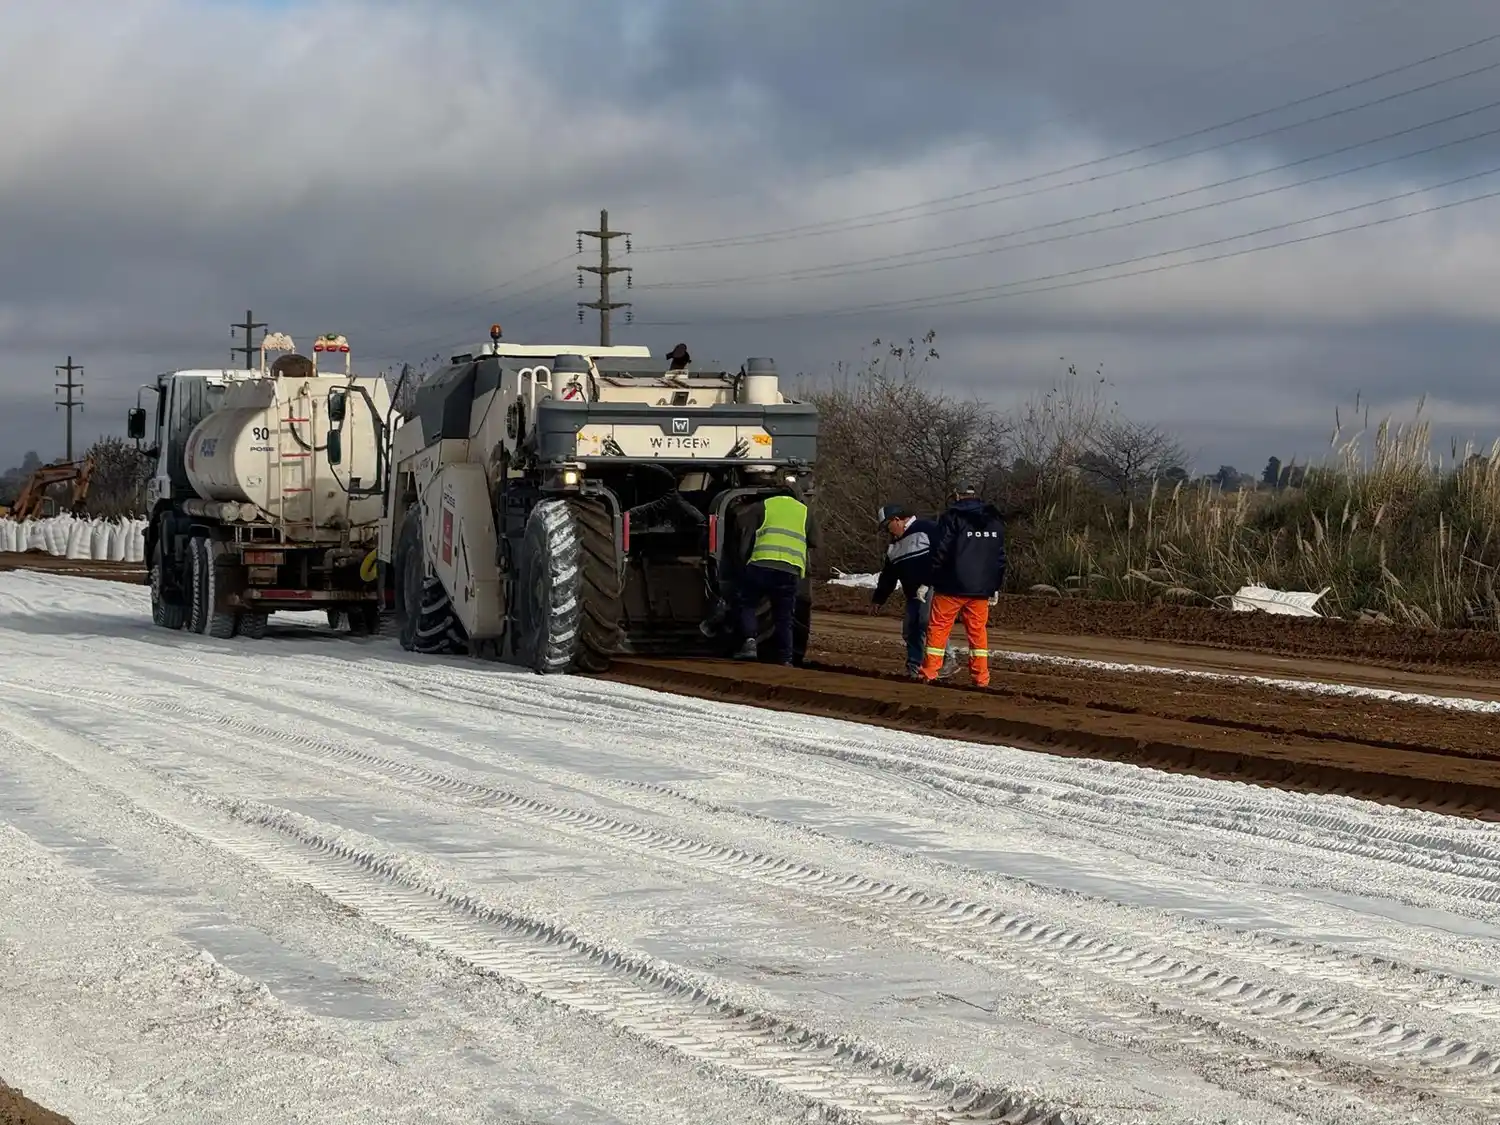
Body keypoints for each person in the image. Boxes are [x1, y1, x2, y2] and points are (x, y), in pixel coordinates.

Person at [919, 481, 1006, 687]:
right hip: (981, 588)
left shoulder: (952, 517)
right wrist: (994, 585)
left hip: (951, 586)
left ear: (957, 495)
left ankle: (930, 672)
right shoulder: (993, 520)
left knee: (939, 629)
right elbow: (999, 556)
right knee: (977, 632)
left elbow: (940, 551)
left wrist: (927, 580)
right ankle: (981, 678)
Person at [729, 483, 816, 664]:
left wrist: (742, 559)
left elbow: (742, 526)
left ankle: (750, 644)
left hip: (761, 565)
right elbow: (815, 541)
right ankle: (786, 659)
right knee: (784, 617)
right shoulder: (804, 510)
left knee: (748, 603)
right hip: (789, 569)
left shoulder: (763, 505)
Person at [870, 502, 957, 678]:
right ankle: (914, 666)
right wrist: (878, 599)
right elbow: (888, 576)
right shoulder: (894, 547)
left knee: (927, 622)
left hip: (932, 586)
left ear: (897, 520)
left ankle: (949, 658)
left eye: (888, 527)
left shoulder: (926, 528)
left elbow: (947, 552)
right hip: (912, 594)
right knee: (910, 630)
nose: (888, 532)